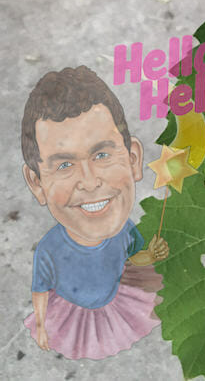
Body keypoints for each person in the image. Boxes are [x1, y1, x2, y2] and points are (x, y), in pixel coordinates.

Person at [21, 65, 168, 360]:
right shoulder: (49, 249)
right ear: (37, 184)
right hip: (72, 311)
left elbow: (132, 260)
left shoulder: (126, 229)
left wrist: (149, 257)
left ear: (134, 159)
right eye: (64, 165)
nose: (89, 182)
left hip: (116, 302)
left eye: (102, 155)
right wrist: (40, 323)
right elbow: (40, 289)